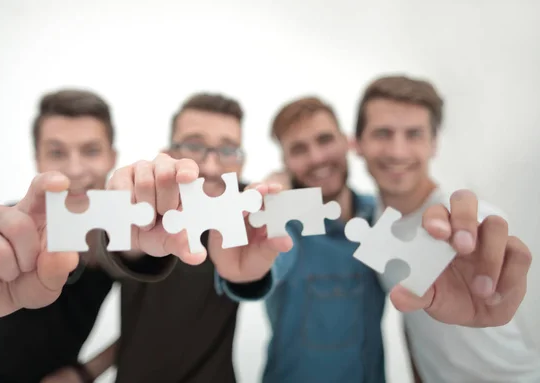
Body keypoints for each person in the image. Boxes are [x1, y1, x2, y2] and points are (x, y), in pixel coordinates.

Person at [0, 90, 291, 383]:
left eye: (228, 149)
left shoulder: (246, 213)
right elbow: (117, 249)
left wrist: (282, 184)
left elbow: (274, 255)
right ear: (168, 152)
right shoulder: (132, 209)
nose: (74, 167)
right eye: (195, 146)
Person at [214, 93, 532, 382]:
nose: (316, 157)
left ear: (347, 143)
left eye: (325, 140)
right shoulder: (285, 225)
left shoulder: (379, 216)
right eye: (298, 149)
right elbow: (266, 264)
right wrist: (246, 271)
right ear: (285, 162)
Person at [352, 75, 540, 382]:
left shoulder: (459, 221)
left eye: (414, 134)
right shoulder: (372, 219)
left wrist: (478, 245)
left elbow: (481, 229)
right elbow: (413, 322)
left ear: (434, 144)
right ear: (357, 143)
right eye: (383, 133)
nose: (398, 151)